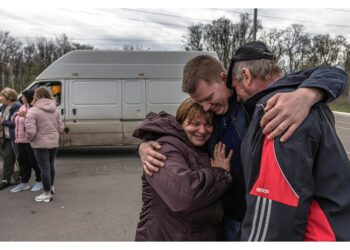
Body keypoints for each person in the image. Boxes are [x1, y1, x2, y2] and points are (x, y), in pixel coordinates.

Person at [138, 42, 348, 240]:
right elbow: (180, 128)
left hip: (257, 218)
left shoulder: (258, 104)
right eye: (199, 103)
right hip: (226, 215)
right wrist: (147, 143)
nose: (205, 107)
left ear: (224, 78)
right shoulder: (212, 114)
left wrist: (306, 95)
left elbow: (333, 73)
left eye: (208, 98)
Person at [228, 41, 350, 240]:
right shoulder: (302, 97)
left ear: (247, 76)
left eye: (236, 87)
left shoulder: (277, 111)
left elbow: (272, 216)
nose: (237, 97)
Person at [133, 98, 233, 241]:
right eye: (195, 124)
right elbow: (185, 195)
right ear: (180, 123)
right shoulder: (162, 149)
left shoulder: (200, 147)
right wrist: (220, 173)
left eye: (208, 124)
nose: (203, 130)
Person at [25, 87, 63, 203]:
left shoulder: (33, 111)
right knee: (50, 166)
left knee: (44, 168)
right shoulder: (55, 110)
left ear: (36, 96)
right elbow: (61, 128)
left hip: (40, 144)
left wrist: (29, 139)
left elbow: (30, 131)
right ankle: (51, 188)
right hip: (53, 142)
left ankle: (47, 194)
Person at [10, 90, 43, 193]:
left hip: (31, 140)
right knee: (23, 162)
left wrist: (26, 115)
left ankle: (40, 181)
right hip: (19, 139)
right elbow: (13, 120)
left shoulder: (35, 108)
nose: (22, 98)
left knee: (34, 161)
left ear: (29, 97)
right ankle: (24, 183)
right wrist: (15, 115)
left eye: (24, 97)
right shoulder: (22, 107)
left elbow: (39, 121)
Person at [0, 87, 21, 190]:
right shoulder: (4, 106)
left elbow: (16, 123)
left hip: (14, 137)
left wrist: (3, 122)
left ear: (9, 97)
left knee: (13, 158)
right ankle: (11, 178)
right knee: (8, 158)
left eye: (2, 96)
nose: (1, 98)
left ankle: (8, 179)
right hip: (6, 137)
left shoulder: (17, 107)